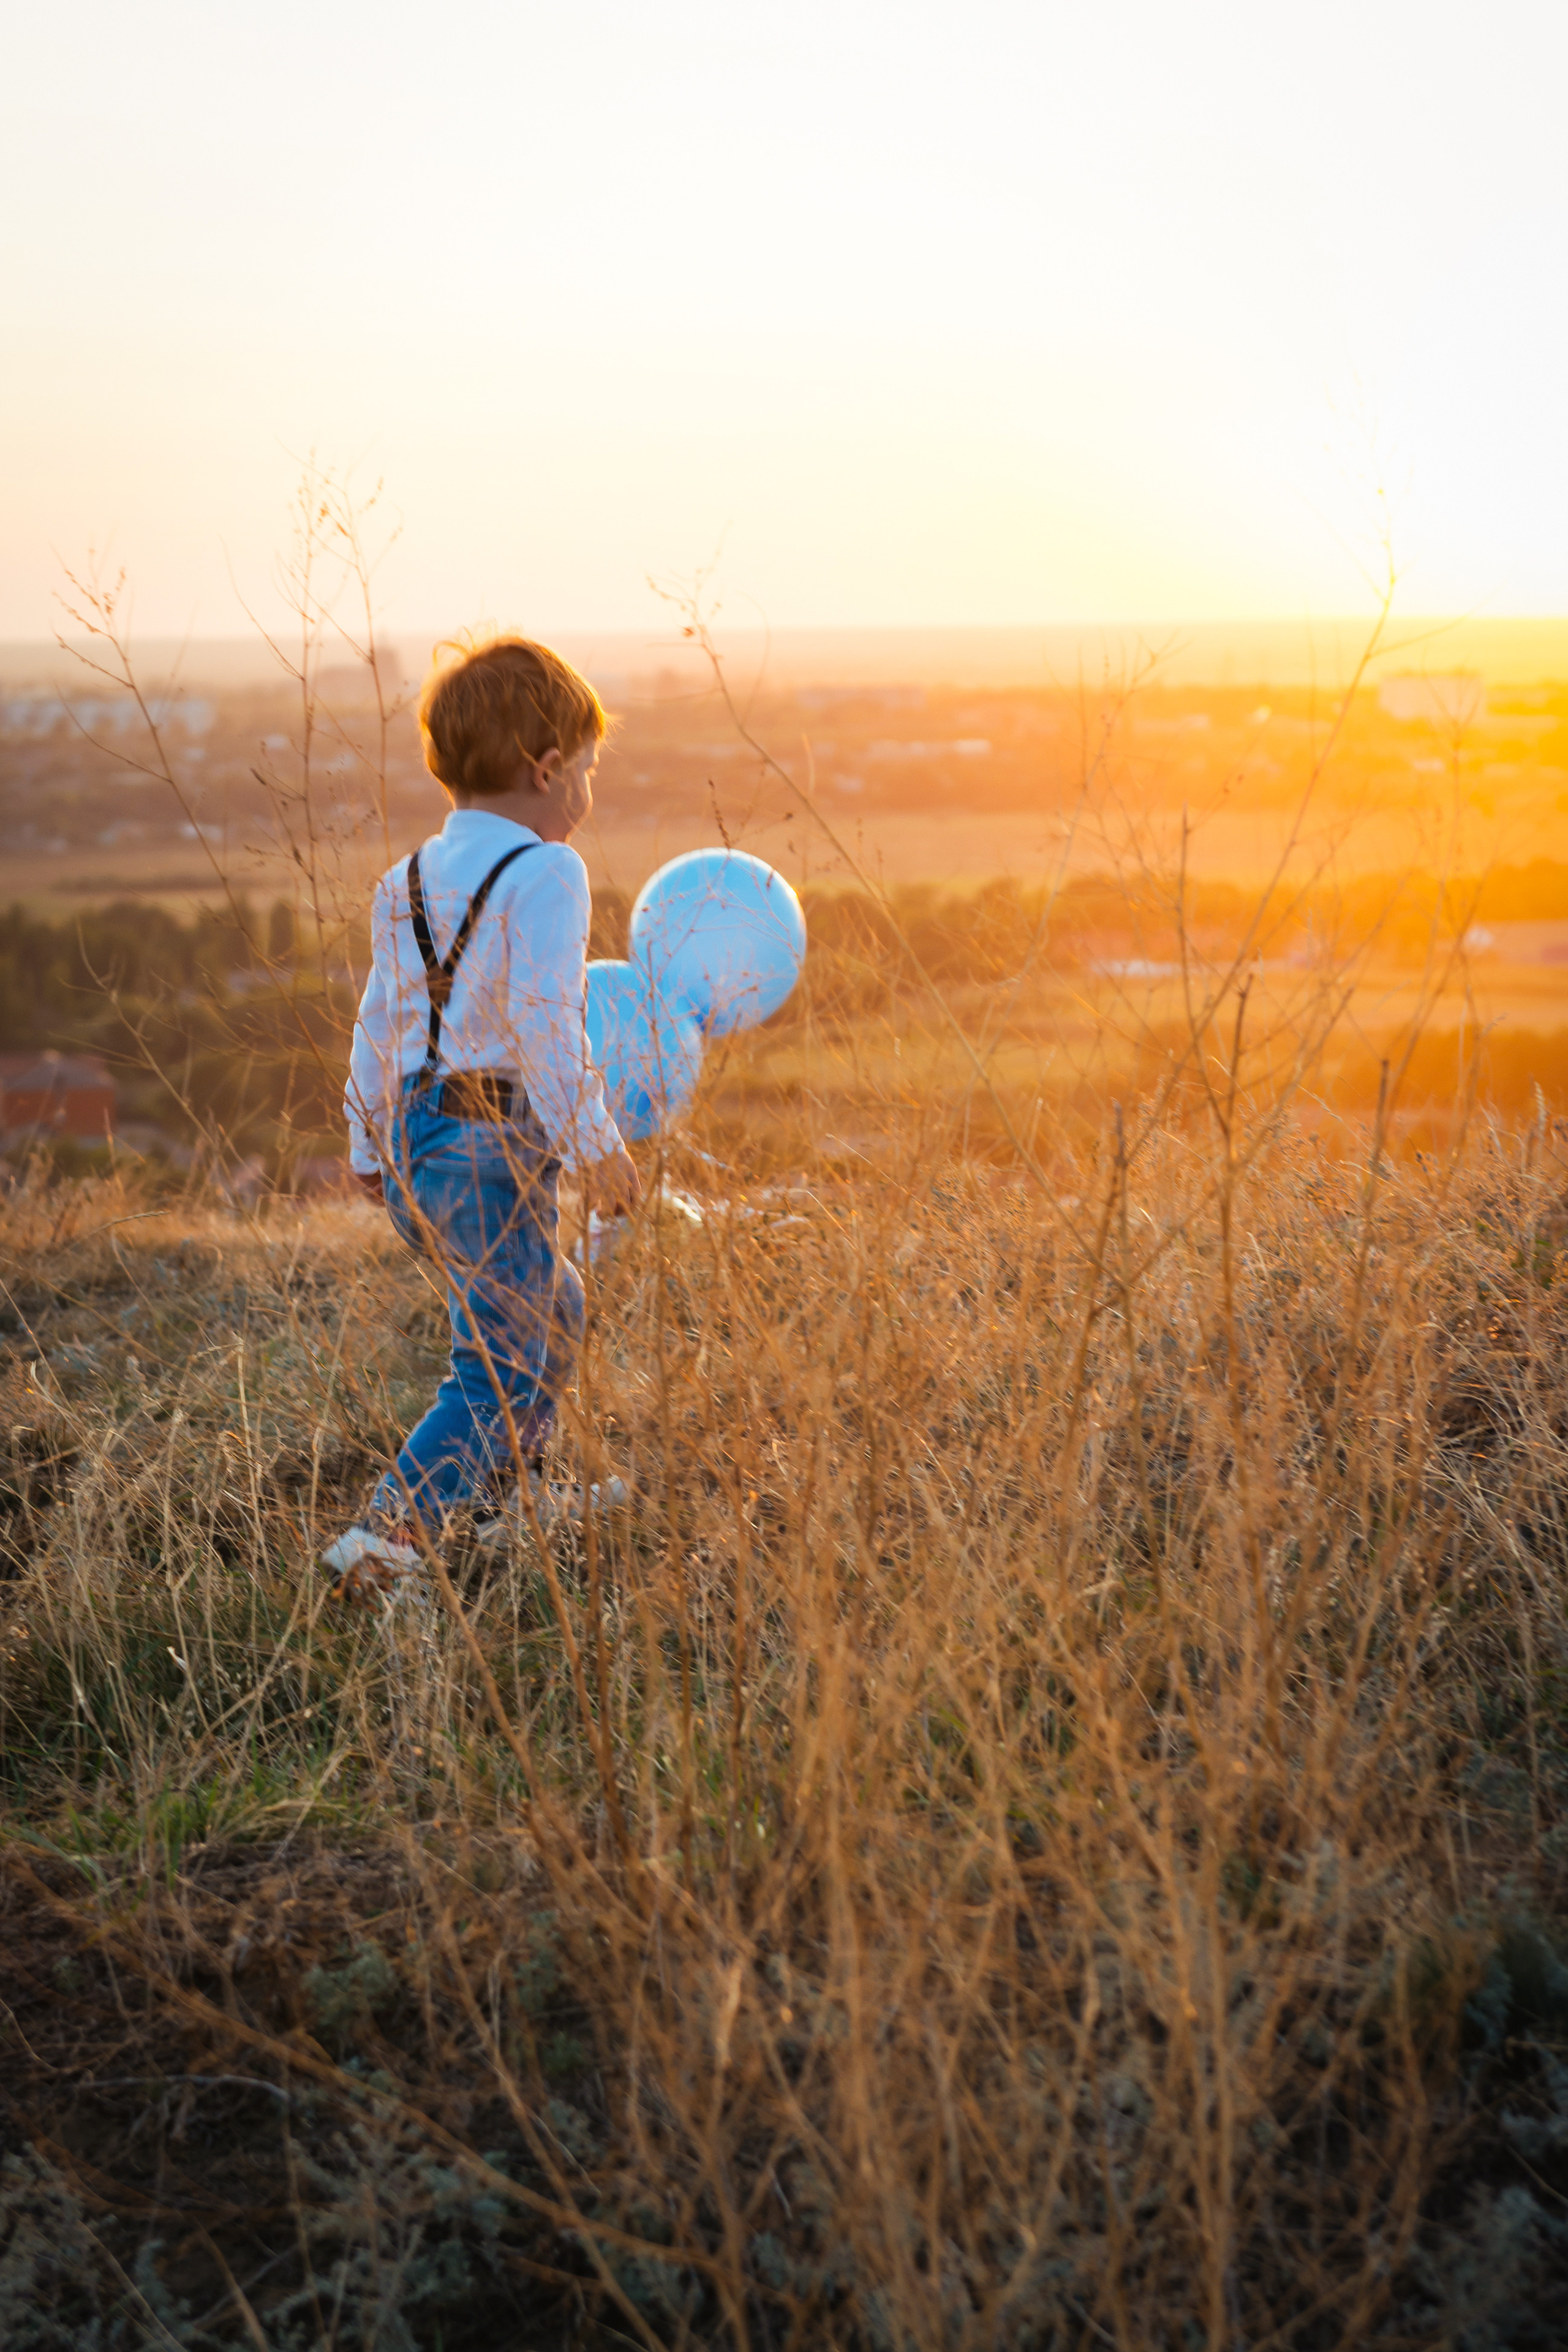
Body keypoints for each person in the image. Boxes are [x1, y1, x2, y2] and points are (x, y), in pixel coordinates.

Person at [320, 636, 641, 1602]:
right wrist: (599, 1145)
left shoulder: (405, 879)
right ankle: (383, 1544)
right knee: (500, 1357)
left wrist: (365, 1139)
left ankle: (511, 1494)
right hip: (491, 1141)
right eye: (584, 768)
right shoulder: (549, 873)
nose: (586, 788)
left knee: (550, 1314)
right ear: (548, 769)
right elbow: (549, 1027)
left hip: (422, 1143)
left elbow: (380, 1021)